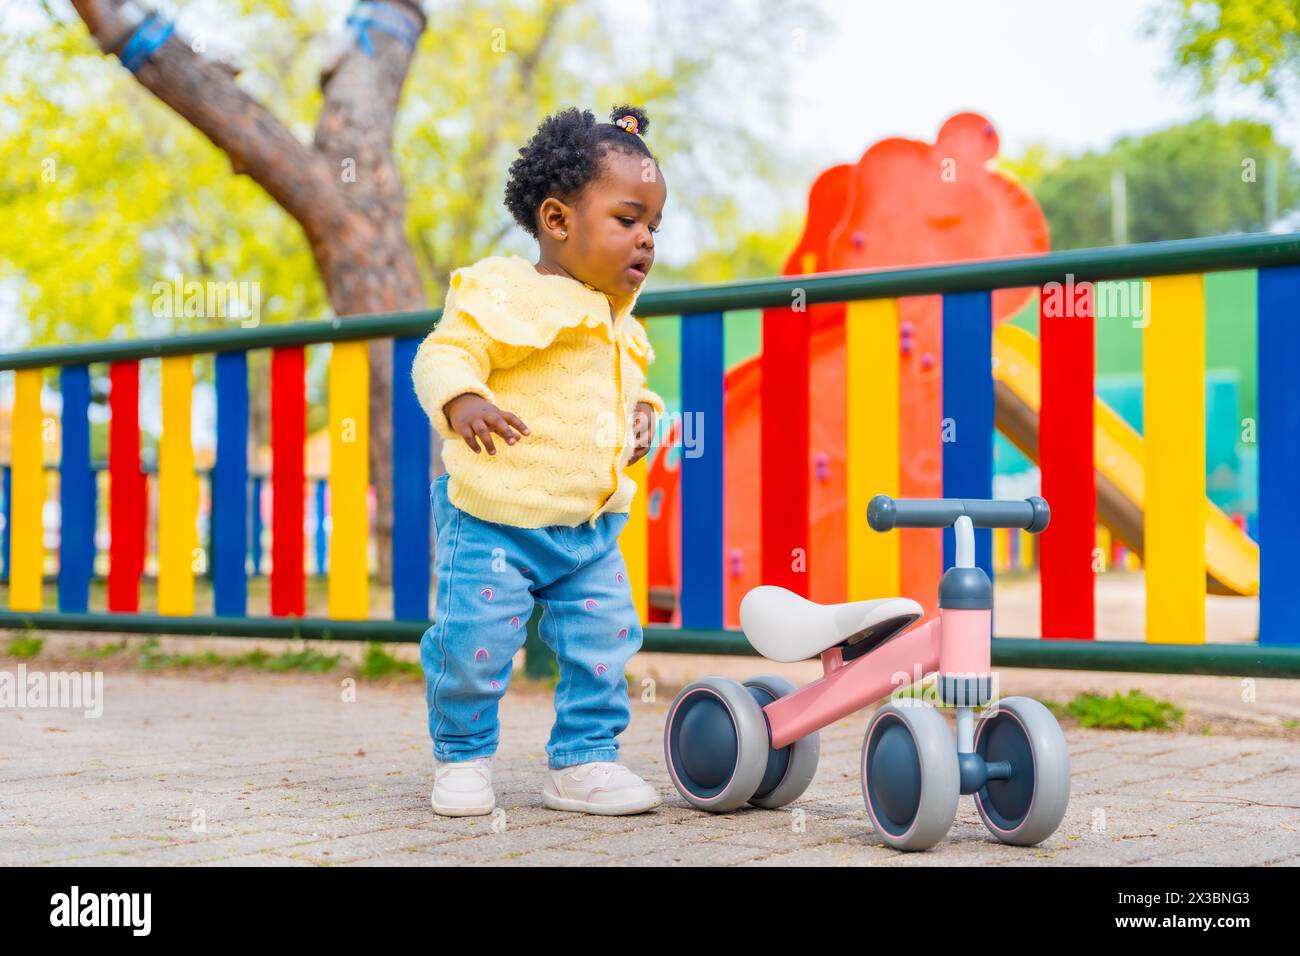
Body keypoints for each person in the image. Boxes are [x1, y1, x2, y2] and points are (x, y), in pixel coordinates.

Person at [411, 105, 668, 816]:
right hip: (494, 519)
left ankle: (583, 761)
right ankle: (462, 756)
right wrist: (462, 400)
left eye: (654, 226)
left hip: (587, 531)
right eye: (627, 220)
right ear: (557, 221)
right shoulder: (507, 291)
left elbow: (633, 390)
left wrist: (648, 416)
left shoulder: (624, 325)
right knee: (474, 645)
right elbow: (445, 353)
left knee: (604, 645)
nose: (646, 239)